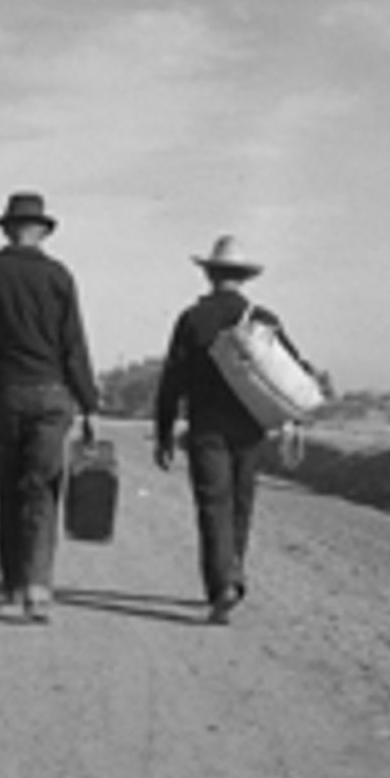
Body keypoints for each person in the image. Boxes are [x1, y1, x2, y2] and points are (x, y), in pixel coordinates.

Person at [153, 235, 316, 625]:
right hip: (250, 428)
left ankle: (221, 584)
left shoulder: (192, 319)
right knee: (241, 504)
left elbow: (171, 381)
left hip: (206, 427)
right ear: (244, 278)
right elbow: (293, 370)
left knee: (213, 506)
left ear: (209, 274)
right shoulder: (263, 318)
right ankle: (234, 572)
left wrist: (163, 433)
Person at [0, 192, 99, 622]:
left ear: (7, 229)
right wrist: (89, 403)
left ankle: (12, 584)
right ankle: (37, 585)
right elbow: (74, 344)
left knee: (8, 488)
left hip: (7, 394)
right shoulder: (59, 276)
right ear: (41, 231)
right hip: (54, 395)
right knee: (41, 488)